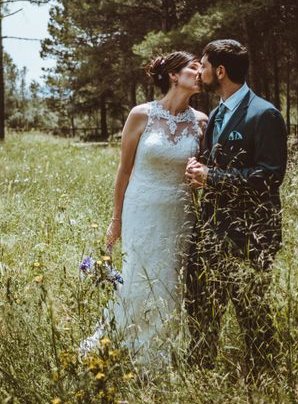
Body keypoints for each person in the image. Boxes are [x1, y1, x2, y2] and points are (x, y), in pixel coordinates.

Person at [80, 51, 208, 364]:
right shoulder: (142, 115)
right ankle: (119, 341)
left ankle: (156, 352)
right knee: (138, 275)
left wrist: (198, 179)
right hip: (142, 208)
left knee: (169, 279)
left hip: (181, 213)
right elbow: (124, 170)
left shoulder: (203, 121)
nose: (201, 73)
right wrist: (116, 219)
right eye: (194, 68)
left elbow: (201, 172)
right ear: (174, 76)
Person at [184, 39, 287, 375]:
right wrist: (196, 168)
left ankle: (265, 382)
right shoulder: (216, 114)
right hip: (211, 231)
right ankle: (201, 378)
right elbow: (212, 160)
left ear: (221, 70)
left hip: (251, 235)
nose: (200, 70)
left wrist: (212, 178)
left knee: (252, 315)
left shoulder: (265, 114)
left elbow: (269, 177)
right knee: (201, 311)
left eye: (204, 64)